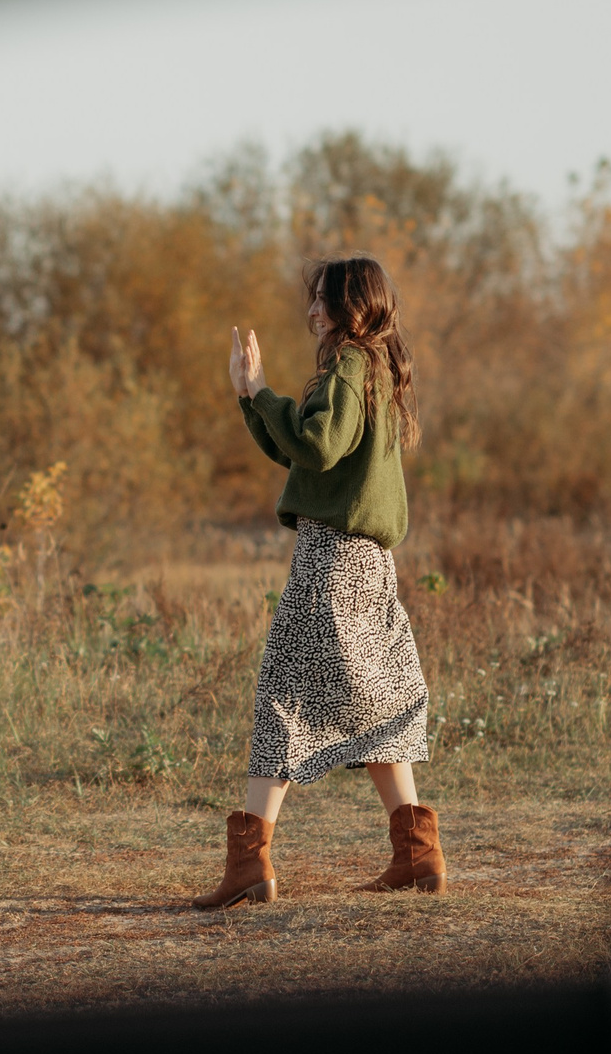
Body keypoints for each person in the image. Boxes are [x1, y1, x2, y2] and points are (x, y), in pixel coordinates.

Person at [191, 254, 446, 909]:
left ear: (349, 308)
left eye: (320, 303)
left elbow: (318, 445)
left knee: (281, 696)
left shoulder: (349, 365)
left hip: (330, 562)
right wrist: (254, 397)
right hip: (370, 565)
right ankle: (417, 855)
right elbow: (303, 449)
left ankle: (250, 864)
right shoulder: (376, 370)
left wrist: (263, 391)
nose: (310, 314)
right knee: (379, 702)